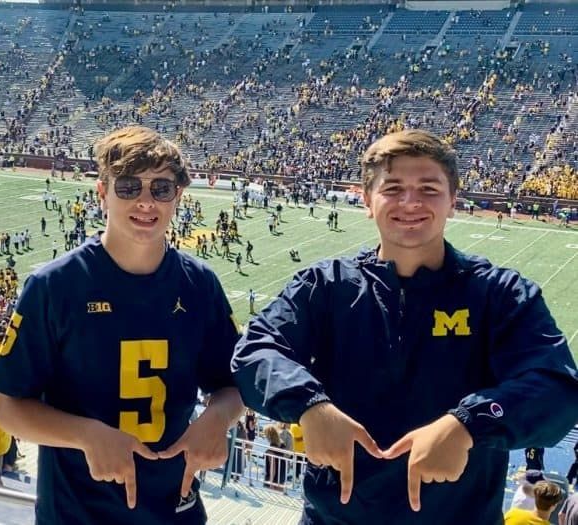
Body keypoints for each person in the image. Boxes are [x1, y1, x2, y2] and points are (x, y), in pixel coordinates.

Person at [231, 129, 578, 525]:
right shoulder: (325, 286)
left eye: (429, 189)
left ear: (453, 201)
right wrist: (310, 406)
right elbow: (256, 350)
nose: (410, 202)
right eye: (393, 187)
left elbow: (558, 389)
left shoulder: (500, 293)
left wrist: (468, 423)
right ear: (366, 200)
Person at [0, 126, 243, 524]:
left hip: (175, 509)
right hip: (78, 511)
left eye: (161, 188)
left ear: (178, 195)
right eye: (129, 187)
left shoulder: (200, 284)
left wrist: (217, 419)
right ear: (102, 193)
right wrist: (86, 435)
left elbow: (232, 385)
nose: (146, 201)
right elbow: (8, 410)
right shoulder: (54, 286)